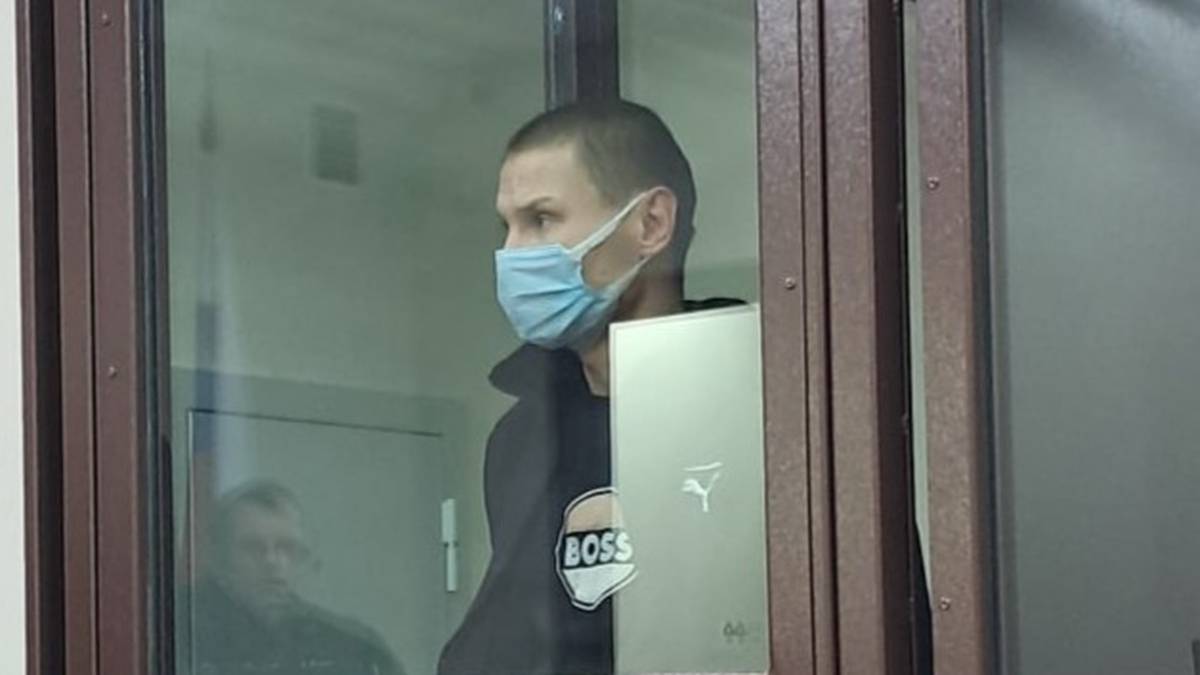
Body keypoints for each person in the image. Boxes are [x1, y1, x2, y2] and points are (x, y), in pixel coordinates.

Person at [437, 99, 932, 675]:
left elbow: (879, 634)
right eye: (507, 226)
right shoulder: (523, 436)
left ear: (650, 224)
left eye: (542, 219)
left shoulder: (785, 418)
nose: (511, 253)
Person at [192, 480, 405, 675]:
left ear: (304, 557)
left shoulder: (351, 647)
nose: (273, 561)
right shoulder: (182, 630)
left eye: (286, 548)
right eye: (253, 547)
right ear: (219, 557)